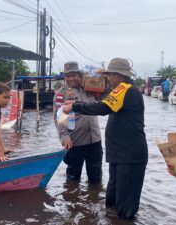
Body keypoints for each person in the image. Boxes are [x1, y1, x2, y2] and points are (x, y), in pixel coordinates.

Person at [63, 58, 148, 219]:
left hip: (129, 156)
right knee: (112, 202)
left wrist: (74, 106)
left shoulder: (126, 89)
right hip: (119, 155)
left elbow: (102, 107)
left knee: (126, 208)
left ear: (119, 75)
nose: (107, 79)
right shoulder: (121, 89)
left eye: (110, 75)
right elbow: (102, 97)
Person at [54, 61, 103, 184]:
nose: (71, 79)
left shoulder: (90, 88)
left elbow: (105, 97)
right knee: (72, 179)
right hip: (75, 141)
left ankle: (94, 200)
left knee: (96, 178)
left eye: (74, 75)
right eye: (68, 76)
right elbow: (59, 117)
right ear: (64, 77)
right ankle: (71, 201)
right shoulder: (61, 93)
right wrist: (64, 136)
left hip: (95, 140)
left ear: (79, 75)